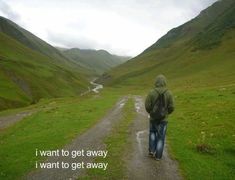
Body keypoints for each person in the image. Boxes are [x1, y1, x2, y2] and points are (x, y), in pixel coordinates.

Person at [145, 74, 174, 160]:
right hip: (163, 119)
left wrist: (151, 113)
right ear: (165, 82)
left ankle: (151, 151)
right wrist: (166, 113)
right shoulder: (169, 93)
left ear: (156, 82)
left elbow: (147, 106)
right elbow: (172, 107)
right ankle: (158, 156)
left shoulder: (151, 92)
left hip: (153, 118)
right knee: (161, 137)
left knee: (152, 133)